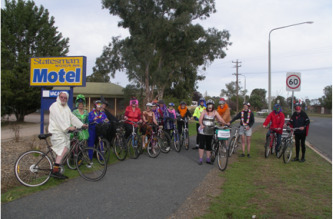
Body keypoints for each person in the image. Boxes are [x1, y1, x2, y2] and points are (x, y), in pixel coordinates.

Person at [48, 91, 88, 179]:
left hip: (64, 133)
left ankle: (57, 168)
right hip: (56, 132)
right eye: (61, 97)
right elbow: (59, 119)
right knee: (63, 149)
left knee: (65, 149)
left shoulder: (66, 108)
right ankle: (55, 171)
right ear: (59, 97)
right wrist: (68, 127)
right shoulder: (54, 106)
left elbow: (72, 118)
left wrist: (81, 125)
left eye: (65, 98)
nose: (63, 99)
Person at [198, 99, 226, 165]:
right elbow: (200, 119)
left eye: (211, 106)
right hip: (203, 130)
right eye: (208, 106)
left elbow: (220, 119)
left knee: (209, 145)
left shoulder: (215, 112)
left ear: (213, 106)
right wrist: (201, 124)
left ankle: (208, 159)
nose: (210, 107)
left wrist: (225, 123)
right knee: (201, 145)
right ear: (207, 106)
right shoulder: (204, 111)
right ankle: (200, 159)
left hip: (210, 130)